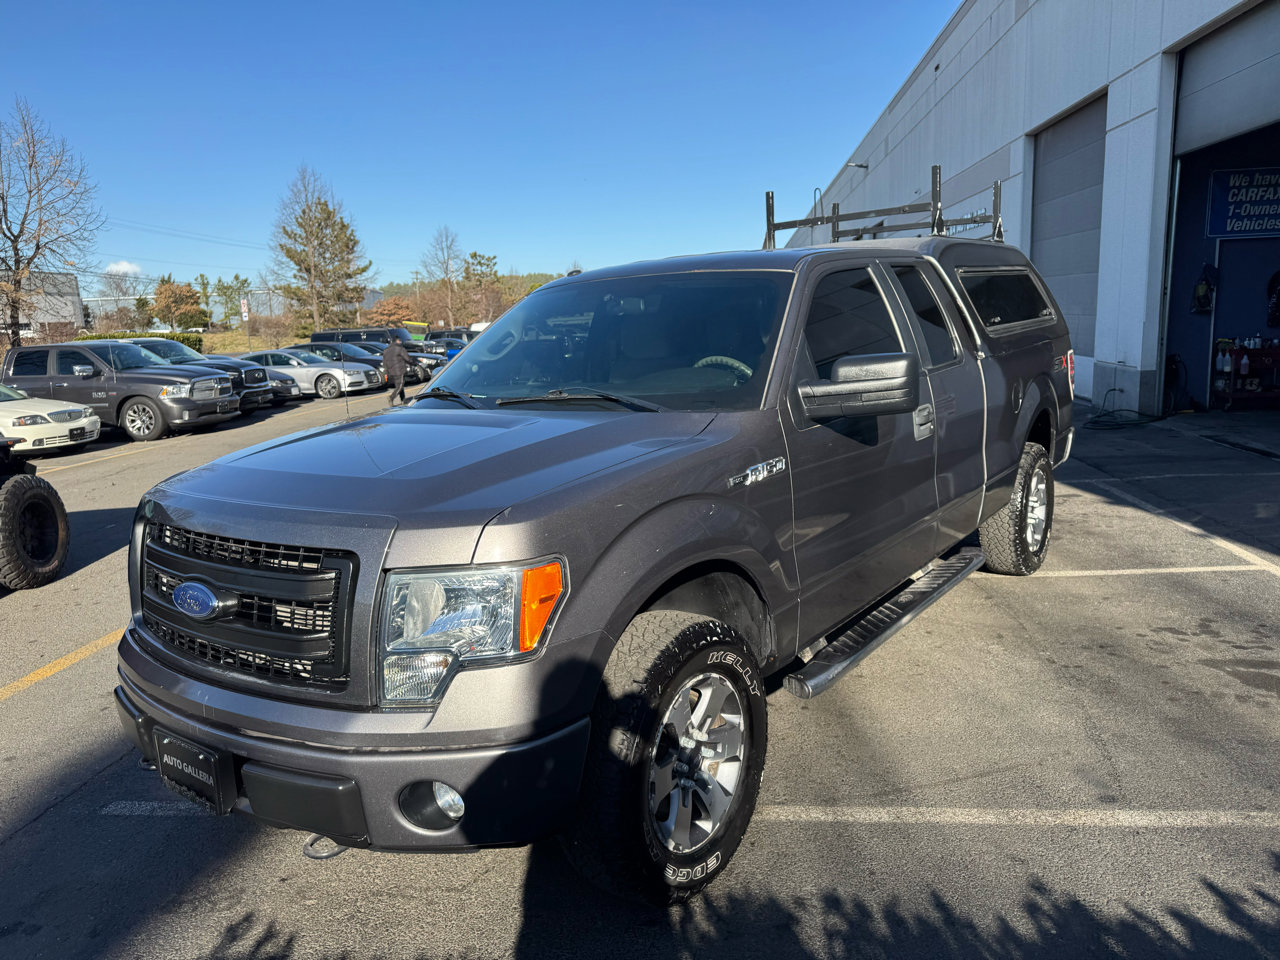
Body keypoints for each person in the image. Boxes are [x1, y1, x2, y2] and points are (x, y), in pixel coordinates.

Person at [383, 339, 411, 405]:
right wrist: (414, 363)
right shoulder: (400, 349)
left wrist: (386, 371)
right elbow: (407, 358)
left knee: (399, 385)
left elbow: (384, 362)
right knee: (400, 385)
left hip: (391, 371)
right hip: (399, 370)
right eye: (399, 341)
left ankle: (403, 399)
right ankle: (391, 397)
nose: (401, 342)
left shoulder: (386, 350)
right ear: (397, 341)